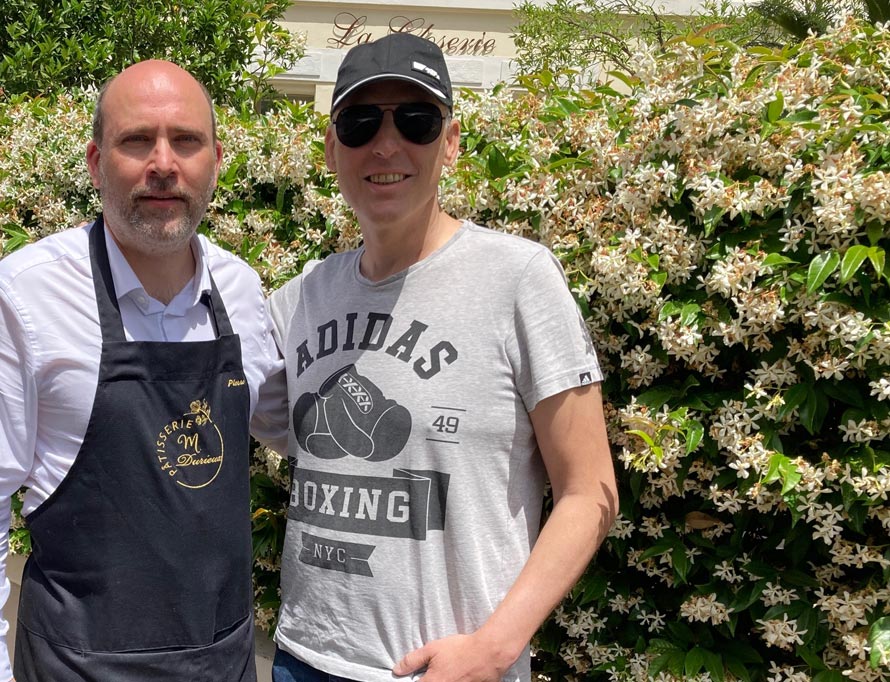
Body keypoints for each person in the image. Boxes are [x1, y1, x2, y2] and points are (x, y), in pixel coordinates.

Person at [266, 33, 618, 682]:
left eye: (418, 121)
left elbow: (590, 490)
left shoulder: (517, 280)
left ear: (450, 143)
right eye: (361, 122)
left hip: (447, 672)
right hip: (304, 659)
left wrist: (493, 649)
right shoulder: (297, 301)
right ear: (330, 149)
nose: (387, 144)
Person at [0, 60, 288, 681]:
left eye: (186, 140)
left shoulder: (241, 290)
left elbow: (287, 423)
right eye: (137, 141)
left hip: (224, 661)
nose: (164, 163)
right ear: (96, 163)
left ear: (215, 159)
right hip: (77, 666)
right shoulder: (27, 296)